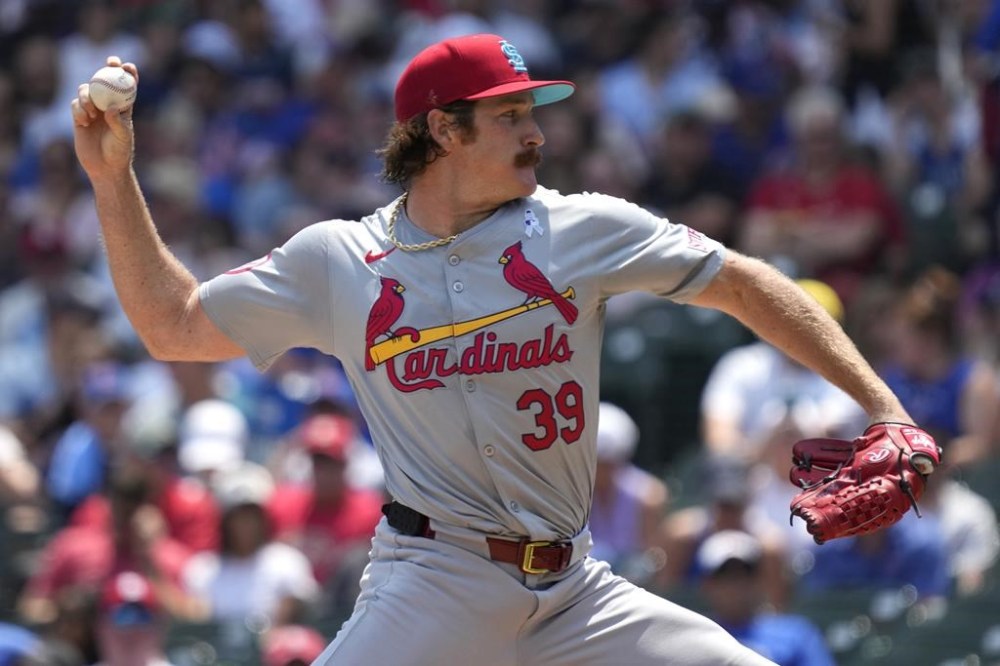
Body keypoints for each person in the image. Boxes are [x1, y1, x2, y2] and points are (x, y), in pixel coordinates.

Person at [73, 34, 929, 665]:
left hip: (574, 590)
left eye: (533, 112)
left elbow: (743, 281)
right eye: (510, 115)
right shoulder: (339, 261)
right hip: (434, 580)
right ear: (442, 132)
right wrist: (114, 183)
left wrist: (884, 407)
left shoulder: (581, 228)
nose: (537, 133)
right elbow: (172, 324)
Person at [696, 530, 834, 666]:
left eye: (745, 574)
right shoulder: (695, 636)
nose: (737, 584)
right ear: (707, 584)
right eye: (725, 575)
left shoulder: (797, 634)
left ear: (759, 579)